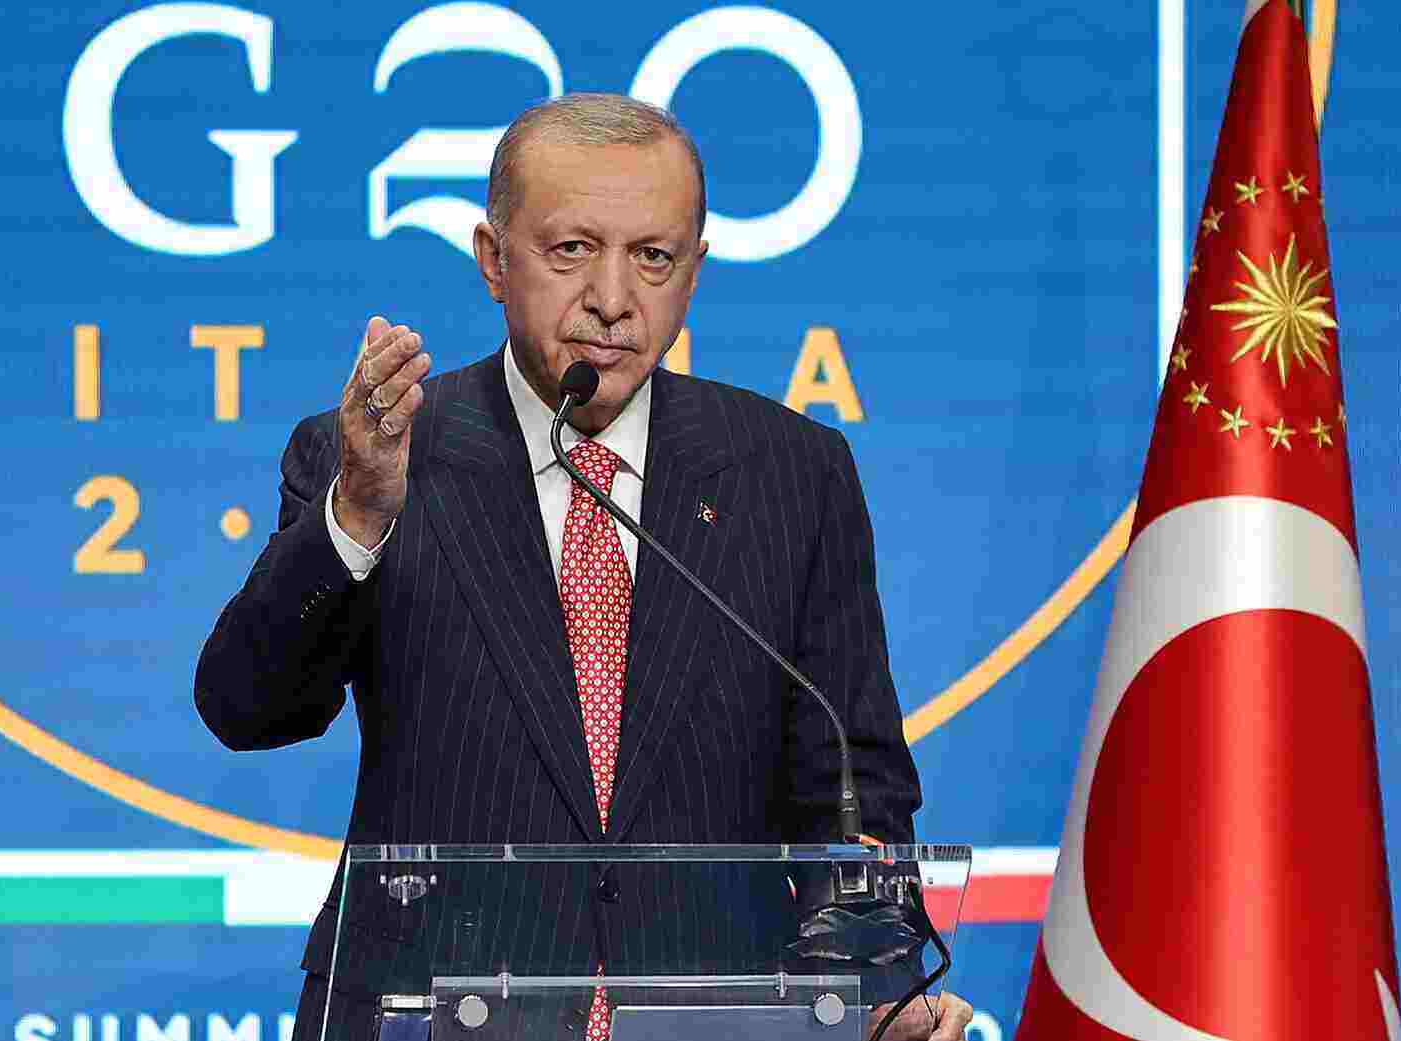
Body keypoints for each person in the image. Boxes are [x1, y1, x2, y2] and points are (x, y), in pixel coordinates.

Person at [196, 93, 971, 1041]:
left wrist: (873, 985)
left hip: (711, 1021)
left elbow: (851, 778)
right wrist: (357, 511)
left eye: (653, 257)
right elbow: (248, 710)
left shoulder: (790, 472)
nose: (613, 298)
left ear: (694, 272)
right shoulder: (374, 455)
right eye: (571, 250)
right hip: (429, 1013)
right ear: (493, 260)